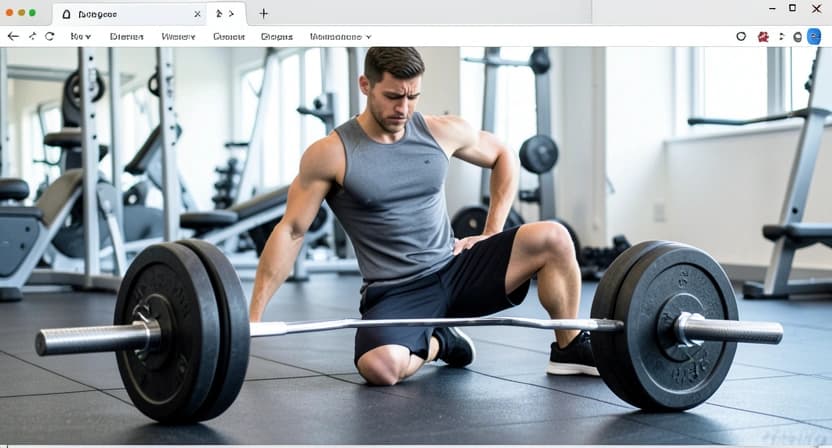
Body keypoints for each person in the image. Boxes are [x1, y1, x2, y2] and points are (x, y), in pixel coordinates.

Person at [249, 47, 597, 386]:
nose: (404, 108)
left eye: (413, 96)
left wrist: (491, 231)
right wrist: (252, 317)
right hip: (397, 291)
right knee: (380, 368)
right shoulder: (332, 153)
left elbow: (503, 154)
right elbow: (292, 231)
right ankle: (440, 342)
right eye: (393, 96)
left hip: (456, 268)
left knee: (554, 237)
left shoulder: (439, 131)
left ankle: (568, 349)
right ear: (365, 85)